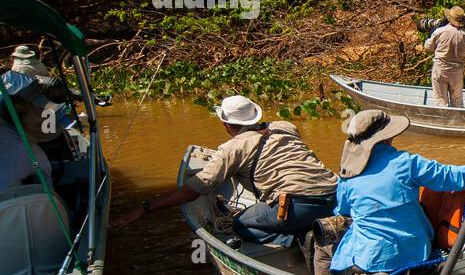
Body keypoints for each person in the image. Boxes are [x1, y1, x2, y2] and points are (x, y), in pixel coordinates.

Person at [324, 109, 465, 275]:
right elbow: (450, 175)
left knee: (322, 244)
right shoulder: (406, 163)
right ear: (388, 137)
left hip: (368, 257)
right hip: (413, 251)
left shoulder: (348, 175)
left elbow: (343, 210)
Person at [110, 95, 338, 246]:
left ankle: (301, 240)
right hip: (335, 197)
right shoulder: (285, 127)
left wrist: (145, 208)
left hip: (297, 206)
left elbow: (192, 191)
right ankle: (317, 227)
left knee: (241, 224)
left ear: (226, 125)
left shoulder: (232, 148)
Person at [422, 6, 465, 108]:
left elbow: (427, 47)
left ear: (449, 18)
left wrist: (432, 32)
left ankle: (443, 121)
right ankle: (457, 121)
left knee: (440, 101)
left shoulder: (440, 31)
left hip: (441, 69)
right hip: (457, 71)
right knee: (457, 102)